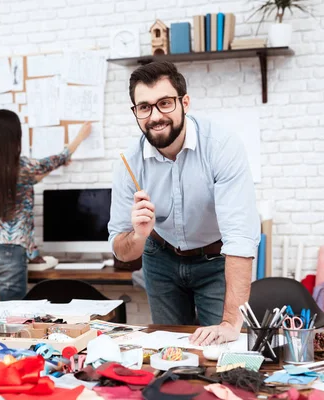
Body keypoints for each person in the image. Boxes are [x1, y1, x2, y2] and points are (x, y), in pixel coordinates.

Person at [108, 61, 260, 345]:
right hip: (160, 258)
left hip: (215, 260)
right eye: (144, 107)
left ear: (185, 102)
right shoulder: (129, 161)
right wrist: (139, 235)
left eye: (165, 103)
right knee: (170, 349)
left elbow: (239, 237)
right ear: (136, 112)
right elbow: (121, 249)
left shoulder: (221, 146)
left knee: (221, 347)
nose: (155, 116)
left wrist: (230, 323)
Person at [0, 109, 92, 301]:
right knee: (13, 316)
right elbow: (57, 159)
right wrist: (79, 137)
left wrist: (57, 165)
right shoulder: (22, 166)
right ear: (15, 136)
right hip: (10, 250)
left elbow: (30, 180)